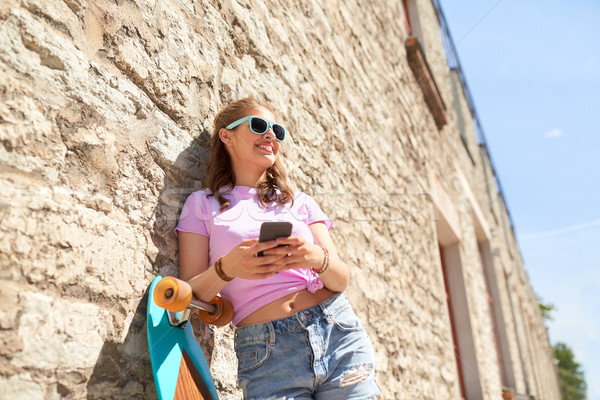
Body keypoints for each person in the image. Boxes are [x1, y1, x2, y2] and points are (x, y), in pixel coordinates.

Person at [175, 97, 380, 399]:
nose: (271, 135)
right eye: (259, 126)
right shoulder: (201, 204)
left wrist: (315, 258)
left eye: (277, 131)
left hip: (337, 332)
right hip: (266, 351)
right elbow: (190, 296)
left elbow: (341, 279)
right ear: (226, 136)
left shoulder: (300, 202)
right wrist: (226, 269)